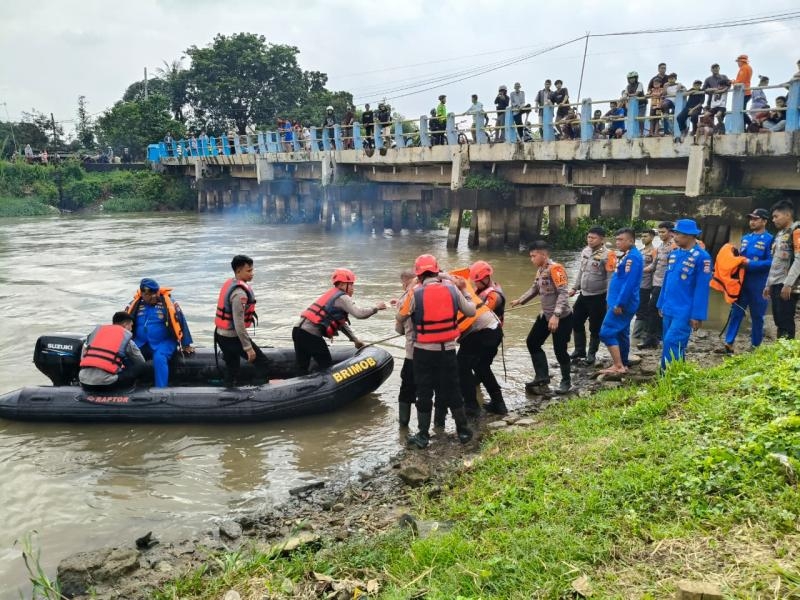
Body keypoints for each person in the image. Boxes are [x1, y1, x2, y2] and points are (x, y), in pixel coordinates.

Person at [397, 254, 475, 448]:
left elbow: (400, 316)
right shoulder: (452, 289)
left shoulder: (415, 292)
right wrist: (465, 292)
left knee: (424, 392)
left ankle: (423, 436)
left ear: (419, 274)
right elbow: (471, 311)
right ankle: (463, 431)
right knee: (453, 389)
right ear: (436, 270)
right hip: (448, 350)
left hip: (423, 351)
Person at [293, 269, 387, 373]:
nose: (352, 288)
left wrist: (355, 340)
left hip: (297, 331)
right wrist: (376, 308)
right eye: (351, 285)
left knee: (302, 367)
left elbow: (340, 323)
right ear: (342, 284)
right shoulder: (342, 297)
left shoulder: (333, 295)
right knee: (326, 366)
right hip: (310, 335)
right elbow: (359, 314)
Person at [511, 241, 574, 395]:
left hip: (562, 317)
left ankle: (566, 381)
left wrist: (556, 315)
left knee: (560, 350)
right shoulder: (541, 270)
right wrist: (521, 300)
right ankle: (542, 376)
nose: (531, 259)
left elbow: (563, 293)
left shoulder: (556, 269)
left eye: (534, 256)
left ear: (544, 255)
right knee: (532, 342)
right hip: (545, 315)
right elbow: (535, 288)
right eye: (531, 256)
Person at [656, 219, 712, 371]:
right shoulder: (674, 254)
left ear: (689, 235)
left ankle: (667, 377)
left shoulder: (702, 257)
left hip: (684, 310)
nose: (674, 237)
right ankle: (675, 375)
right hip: (669, 307)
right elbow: (667, 280)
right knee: (670, 344)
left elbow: (702, 289)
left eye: (678, 234)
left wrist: (697, 315)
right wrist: (660, 303)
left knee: (672, 342)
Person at [455, 261, 506, 418]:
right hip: (491, 331)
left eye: (476, 280)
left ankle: (471, 406)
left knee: (461, 367)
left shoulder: (493, 295)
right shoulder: (475, 290)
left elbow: (471, 314)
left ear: (485, 278)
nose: (474, 282)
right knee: (481, 367)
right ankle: (499, 404)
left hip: (484, 333)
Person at [125, 278, 194, 388]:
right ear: (143, 294)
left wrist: (186, 344)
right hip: (141, 342)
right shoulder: (135, 304)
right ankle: (129, 385)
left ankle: (161, 389)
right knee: (126, 355)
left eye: (155, 293)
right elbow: (122, 323)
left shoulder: (168, 303)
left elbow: (181, 320)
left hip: (164, 342)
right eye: (150, 295)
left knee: (159, 358)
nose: (154, 297)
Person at [214, 255, 271, 387]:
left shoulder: (231, 284)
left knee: (232, 367)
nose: (252, 274)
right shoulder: (240, 294)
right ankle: (260, 395)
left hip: (220, 335)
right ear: (238, 271)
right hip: (232, 337)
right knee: (263, 363)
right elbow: (239, 324)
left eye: (252, 270)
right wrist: (248, 348)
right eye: (249, 271)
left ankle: (228, 392)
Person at [722, 209, 773, 352]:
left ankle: (755, 345)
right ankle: (729, 342)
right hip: (742, 283)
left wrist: (751, 264)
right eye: (751, 219)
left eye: (756, 219)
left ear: (764, 221)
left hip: (759, 284)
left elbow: (772, 262)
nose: (752, 221)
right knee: (736, 312)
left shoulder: (770, 239)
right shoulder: (745, 238)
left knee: (757, 316)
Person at [599, 228, 643, 375]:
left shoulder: (633, 258)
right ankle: (623, 362)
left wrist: (620, 303)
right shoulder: (628, 255)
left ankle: (618, 366)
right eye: (616, 239)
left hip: (622, 303)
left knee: (606, 332)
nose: (618, 242)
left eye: (621, 240)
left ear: (631, 241)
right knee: (621, 333)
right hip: (617, 301)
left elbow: (629, 283)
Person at [569, 226, 616, 366]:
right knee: (575, 320)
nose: (590, 240)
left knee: (595, 326)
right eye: (588, 237)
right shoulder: (585, 251)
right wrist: (574, 287)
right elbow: (581, 272)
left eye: (593, 238)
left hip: (598, 296)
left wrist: (609, 298)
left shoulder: (609, 255)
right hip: (583, 294)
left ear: (602, 239)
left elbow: (610, 278)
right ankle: (579, 350)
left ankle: (591, 353)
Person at [79, 311, 146, 390]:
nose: (131, 329)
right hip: (107, 383)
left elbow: (83, 358)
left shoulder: (95, 335)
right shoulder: (127, 339)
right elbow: (141, 362)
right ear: (125, 325)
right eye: (131, 326)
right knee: (146, 366)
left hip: (83, 380)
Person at [763, 200, 800, 339]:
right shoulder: (779, 235)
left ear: (788, 214)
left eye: (776, 216)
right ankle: (780, 350)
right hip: (776, 283)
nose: (773, 220)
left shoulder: (796, 231)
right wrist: (768, 284)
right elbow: (775, 262)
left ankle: (787, 353)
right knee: (778, 319)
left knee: (785, 320)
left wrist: (788, 284)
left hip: (787, 285)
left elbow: (799, 259)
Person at [639, 222, 676, 349]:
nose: (660, 235)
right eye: (659, 232)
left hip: (664, 284)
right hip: (656, 282)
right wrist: (639, 270)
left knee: (653, 308)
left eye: (663, 232)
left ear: (671, 232)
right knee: (656, 309)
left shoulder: (674, 247)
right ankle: (656, 336)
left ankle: (651, 338)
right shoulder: (660, 247)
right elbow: (654, 265)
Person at [393, 270, 417, 427]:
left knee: (407, 387)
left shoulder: (405, 299)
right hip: (436, 349)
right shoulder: (431, 292)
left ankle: (403, 424)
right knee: (433, 388)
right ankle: (438, 425)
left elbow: (399, 330)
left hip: (414, 352)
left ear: (404, 282)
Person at [633, 229, 657, 341]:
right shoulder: (640, 251)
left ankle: (637, 334)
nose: (643, 238)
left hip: (647, 285)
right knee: (638, 307)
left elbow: (655, 269)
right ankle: (641, 332)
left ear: (652, 237)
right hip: (637, 284)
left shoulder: (654, 251)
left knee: (642, 308)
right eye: (642, 236)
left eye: (645, 236)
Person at [732, 54, 754, 127]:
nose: (738, 63)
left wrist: (732, 82)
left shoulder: (743, 68)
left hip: (744, 92)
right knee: (742, 110)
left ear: (741, 61)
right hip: (747, 91)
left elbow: (740, 81)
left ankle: (751, 125)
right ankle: (744, 127)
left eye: (738, 62)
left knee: (740, 111)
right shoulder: (749, 68)